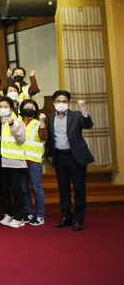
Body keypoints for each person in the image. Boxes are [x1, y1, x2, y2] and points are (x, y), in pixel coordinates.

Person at [46, 90, 94, 231]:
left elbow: (88, 125)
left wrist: (83, 109)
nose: (61, 104)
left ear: (69, 103)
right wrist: (50, 154)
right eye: (58, 101)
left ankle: (78, 219)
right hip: (59, 157)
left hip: (75, 157)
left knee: (79, 189)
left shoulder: (77, 115)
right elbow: (49, 138)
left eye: (64, 101)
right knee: (63, 189)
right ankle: (66, 217)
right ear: (54, 103)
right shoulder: (50, 118)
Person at [0, 96, 28, 228]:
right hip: (0, 161)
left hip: (14, 162)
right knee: (4, 190)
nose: (3, 109)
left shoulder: (18, 122)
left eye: (6, 107)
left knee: (16, 190)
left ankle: (19, 216)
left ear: (11, 108)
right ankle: (8, 213)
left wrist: (12, 125)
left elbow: (21, 139)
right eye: (0, 107)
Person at [19, 99, 48, 226]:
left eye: (32, 107)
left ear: (36, 110)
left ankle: (40, 215)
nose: (29, 108)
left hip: (34, 161)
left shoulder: (37, 123)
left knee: (37, 189)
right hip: (20, 161)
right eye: (26, 106)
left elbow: (44, 137)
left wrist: (42, 123)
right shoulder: (17, 123)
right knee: (24, 189)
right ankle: (29, 212)